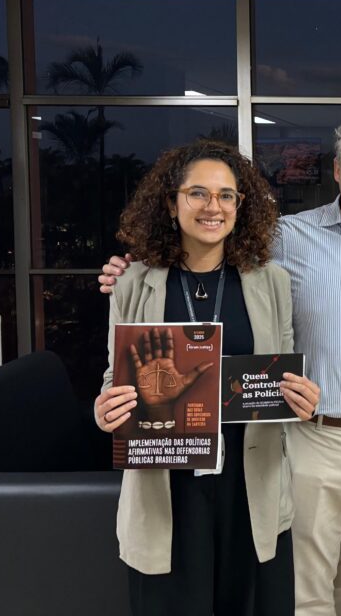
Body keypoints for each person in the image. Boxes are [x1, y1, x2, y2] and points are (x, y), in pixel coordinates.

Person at [100, 115, 341, 616]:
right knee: (307, 592)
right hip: (299, 440)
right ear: (337, 170)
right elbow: (116, 374)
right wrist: (126, 268)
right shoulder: (286, 240)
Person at [93, 139, 321, 616]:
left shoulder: (271, 282)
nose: (212, 207)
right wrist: (106, 410)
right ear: (171, 203)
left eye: (226, 195)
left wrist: (299, 398)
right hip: (166, 481)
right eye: (197, 193)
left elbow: (280, 371)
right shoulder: (133, 282)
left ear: (241, 206)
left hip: (250, 479)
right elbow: (116, 377)